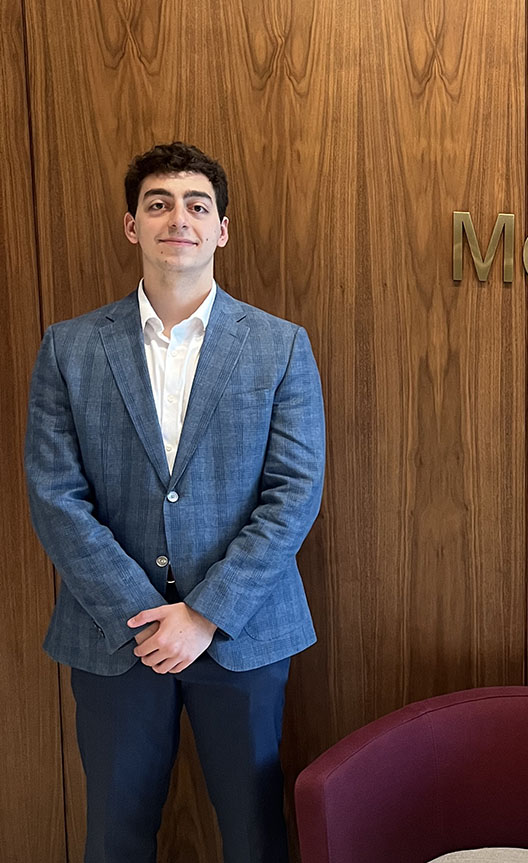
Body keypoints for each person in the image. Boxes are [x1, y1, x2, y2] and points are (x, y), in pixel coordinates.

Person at [24, 141, 326, 863]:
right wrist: (143, 617)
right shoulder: (69, 348)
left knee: (255, 835)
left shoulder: (281, 346)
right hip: (115, 636)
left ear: (222, 229)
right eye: (158, 204)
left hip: (243, 632)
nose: (178, 219)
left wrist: (205, 614)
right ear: (132, 225)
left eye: (197, 205)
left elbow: (294, 492)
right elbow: (55, 495)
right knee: (115, 835)